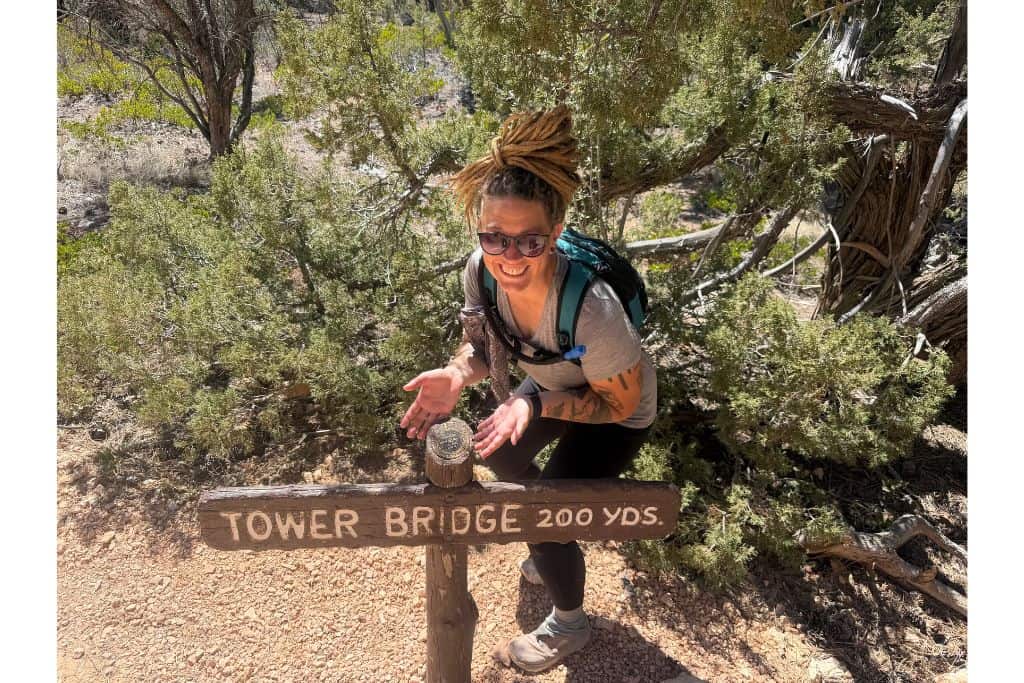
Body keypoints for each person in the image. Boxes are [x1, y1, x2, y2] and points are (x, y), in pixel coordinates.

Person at [399, 104, 657, 673]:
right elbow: (481, 345)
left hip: (615, 413)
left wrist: (532, 400)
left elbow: (620, 401)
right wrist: (455, 373)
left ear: (556, 234)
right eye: (495, 238)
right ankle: (553, 537)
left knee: (544, 514)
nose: (509, 257)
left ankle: (569, 619)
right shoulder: (479, 270)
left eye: (529, 242)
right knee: (508, 457)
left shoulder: (593, 309)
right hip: (543, 387)